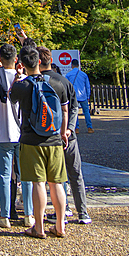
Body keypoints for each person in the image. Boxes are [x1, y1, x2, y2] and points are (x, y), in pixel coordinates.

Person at [10, 44, 69, 238]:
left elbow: (11, 96)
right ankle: (60, 226)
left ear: (22, 63)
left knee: (38, 183)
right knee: (56, 183)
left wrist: (19, 76)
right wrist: (62, 133)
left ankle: (39, 227)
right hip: (54, 139)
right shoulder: (57, 84)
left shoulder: (22, 85)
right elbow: (65, 110)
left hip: (31, 139)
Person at [38, 48, 92, 225]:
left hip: (50, 136)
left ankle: (63, 209)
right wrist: (69, 128)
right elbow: (74, 107)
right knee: (76, 173)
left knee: (56, 176)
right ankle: (82, 211)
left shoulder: (38, 82)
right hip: (68, 136)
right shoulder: (65, 81)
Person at [0, 43, 33, 229]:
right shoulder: (23, 78)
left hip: (1, 132)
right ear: (16, 59)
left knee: (4, 175)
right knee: (26, 175)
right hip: (22, 132)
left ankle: (4, 215)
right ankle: (29, 214)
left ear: (0, 58)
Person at [65, 59, 93, 133]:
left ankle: (76, 128)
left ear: (71, 65)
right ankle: (89, 127)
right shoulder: (84, 74)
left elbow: (66, 87)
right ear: (78, 65)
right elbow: (87, 86)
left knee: (75, 112)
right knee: (86, 112)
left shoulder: (68, 75)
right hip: (83, 96)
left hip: (73, 96)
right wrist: (88, 96)